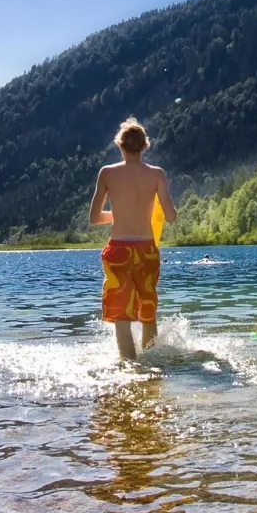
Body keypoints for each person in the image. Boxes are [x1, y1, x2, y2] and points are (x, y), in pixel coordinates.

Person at [89, 117, 177, 360]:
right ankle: (152, 363)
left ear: (120, 145)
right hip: (147, 251)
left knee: (121, 316)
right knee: (147, 310)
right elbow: (170, 217)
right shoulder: (157, 174)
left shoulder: (107, 173)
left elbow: (95, 217)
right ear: (145, 146)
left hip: (118, 251)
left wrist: (117, 214)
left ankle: (128, 367)